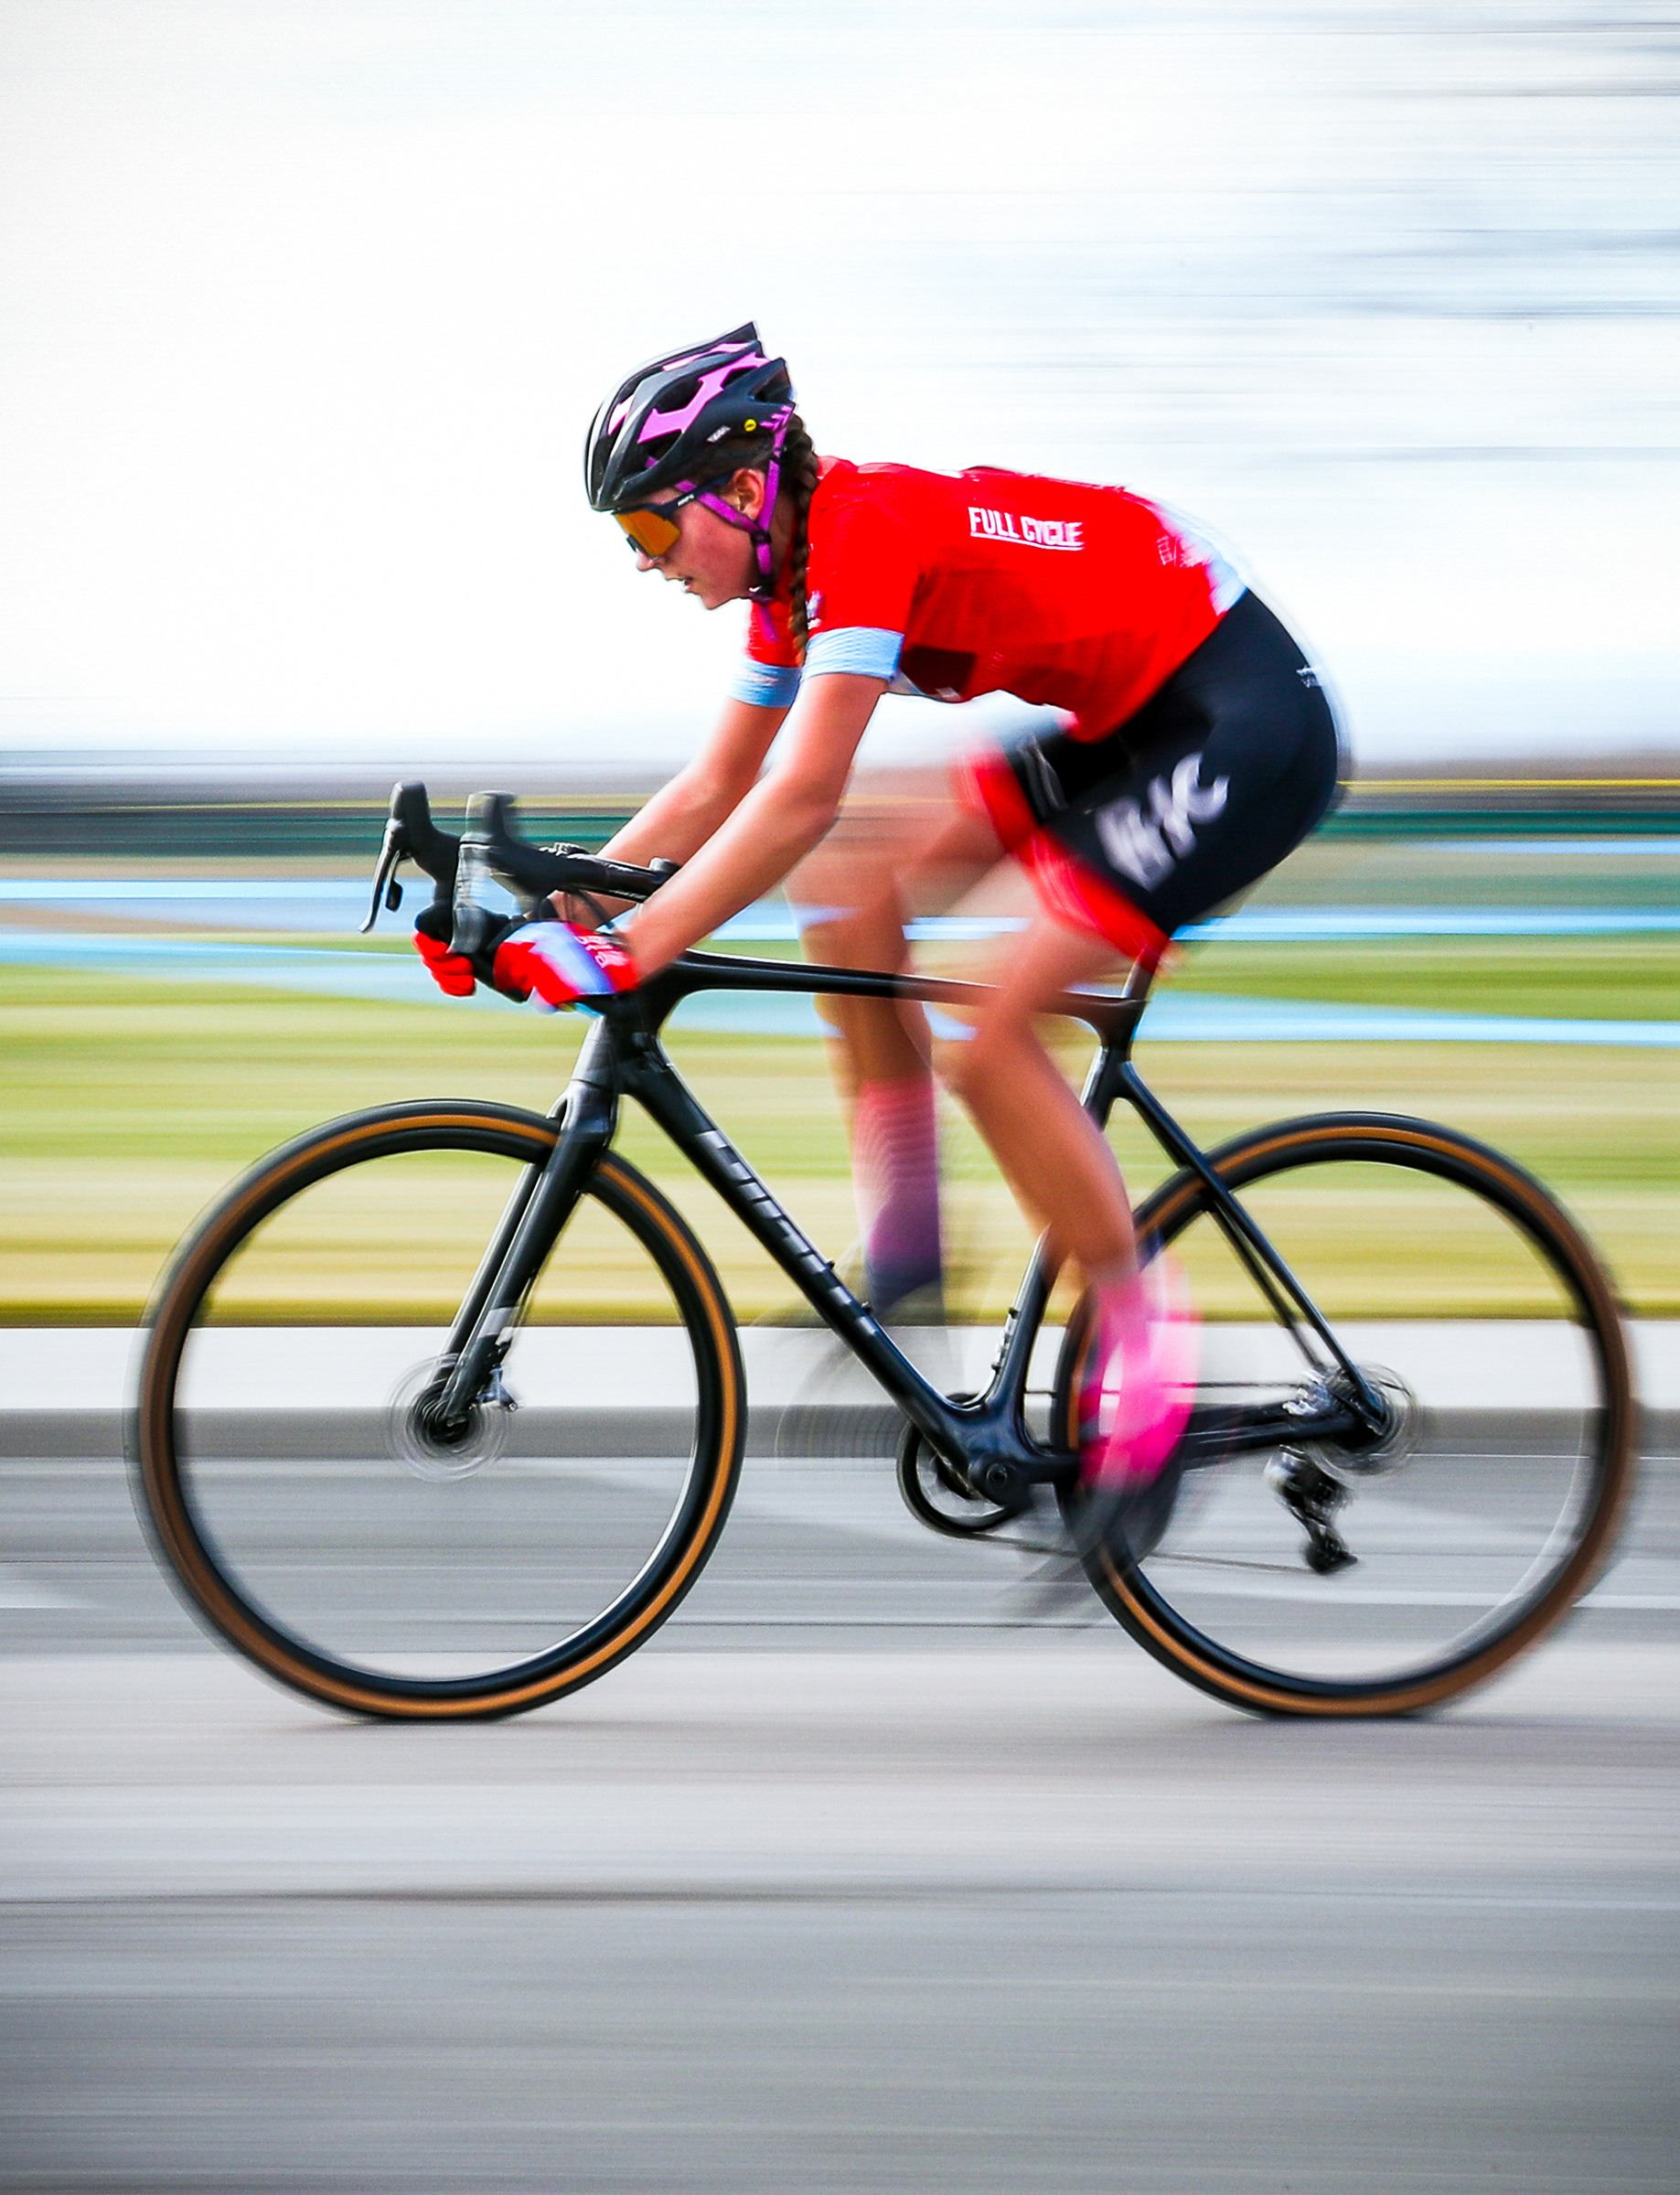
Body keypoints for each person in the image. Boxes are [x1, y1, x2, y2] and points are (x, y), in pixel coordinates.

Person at [415, 322, 1339, 1529]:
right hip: (1131, 716)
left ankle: (1155, 1374)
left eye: (650, 528)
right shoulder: (782, 589)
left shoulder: (861, 536)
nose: (645, 562)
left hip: (1241, 721)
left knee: (994, 1042)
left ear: (745, 490)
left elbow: (797, 794)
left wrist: (632, 946)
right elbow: (712, 792)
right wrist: (544, 908)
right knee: (852, 881)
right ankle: (910, 1251)